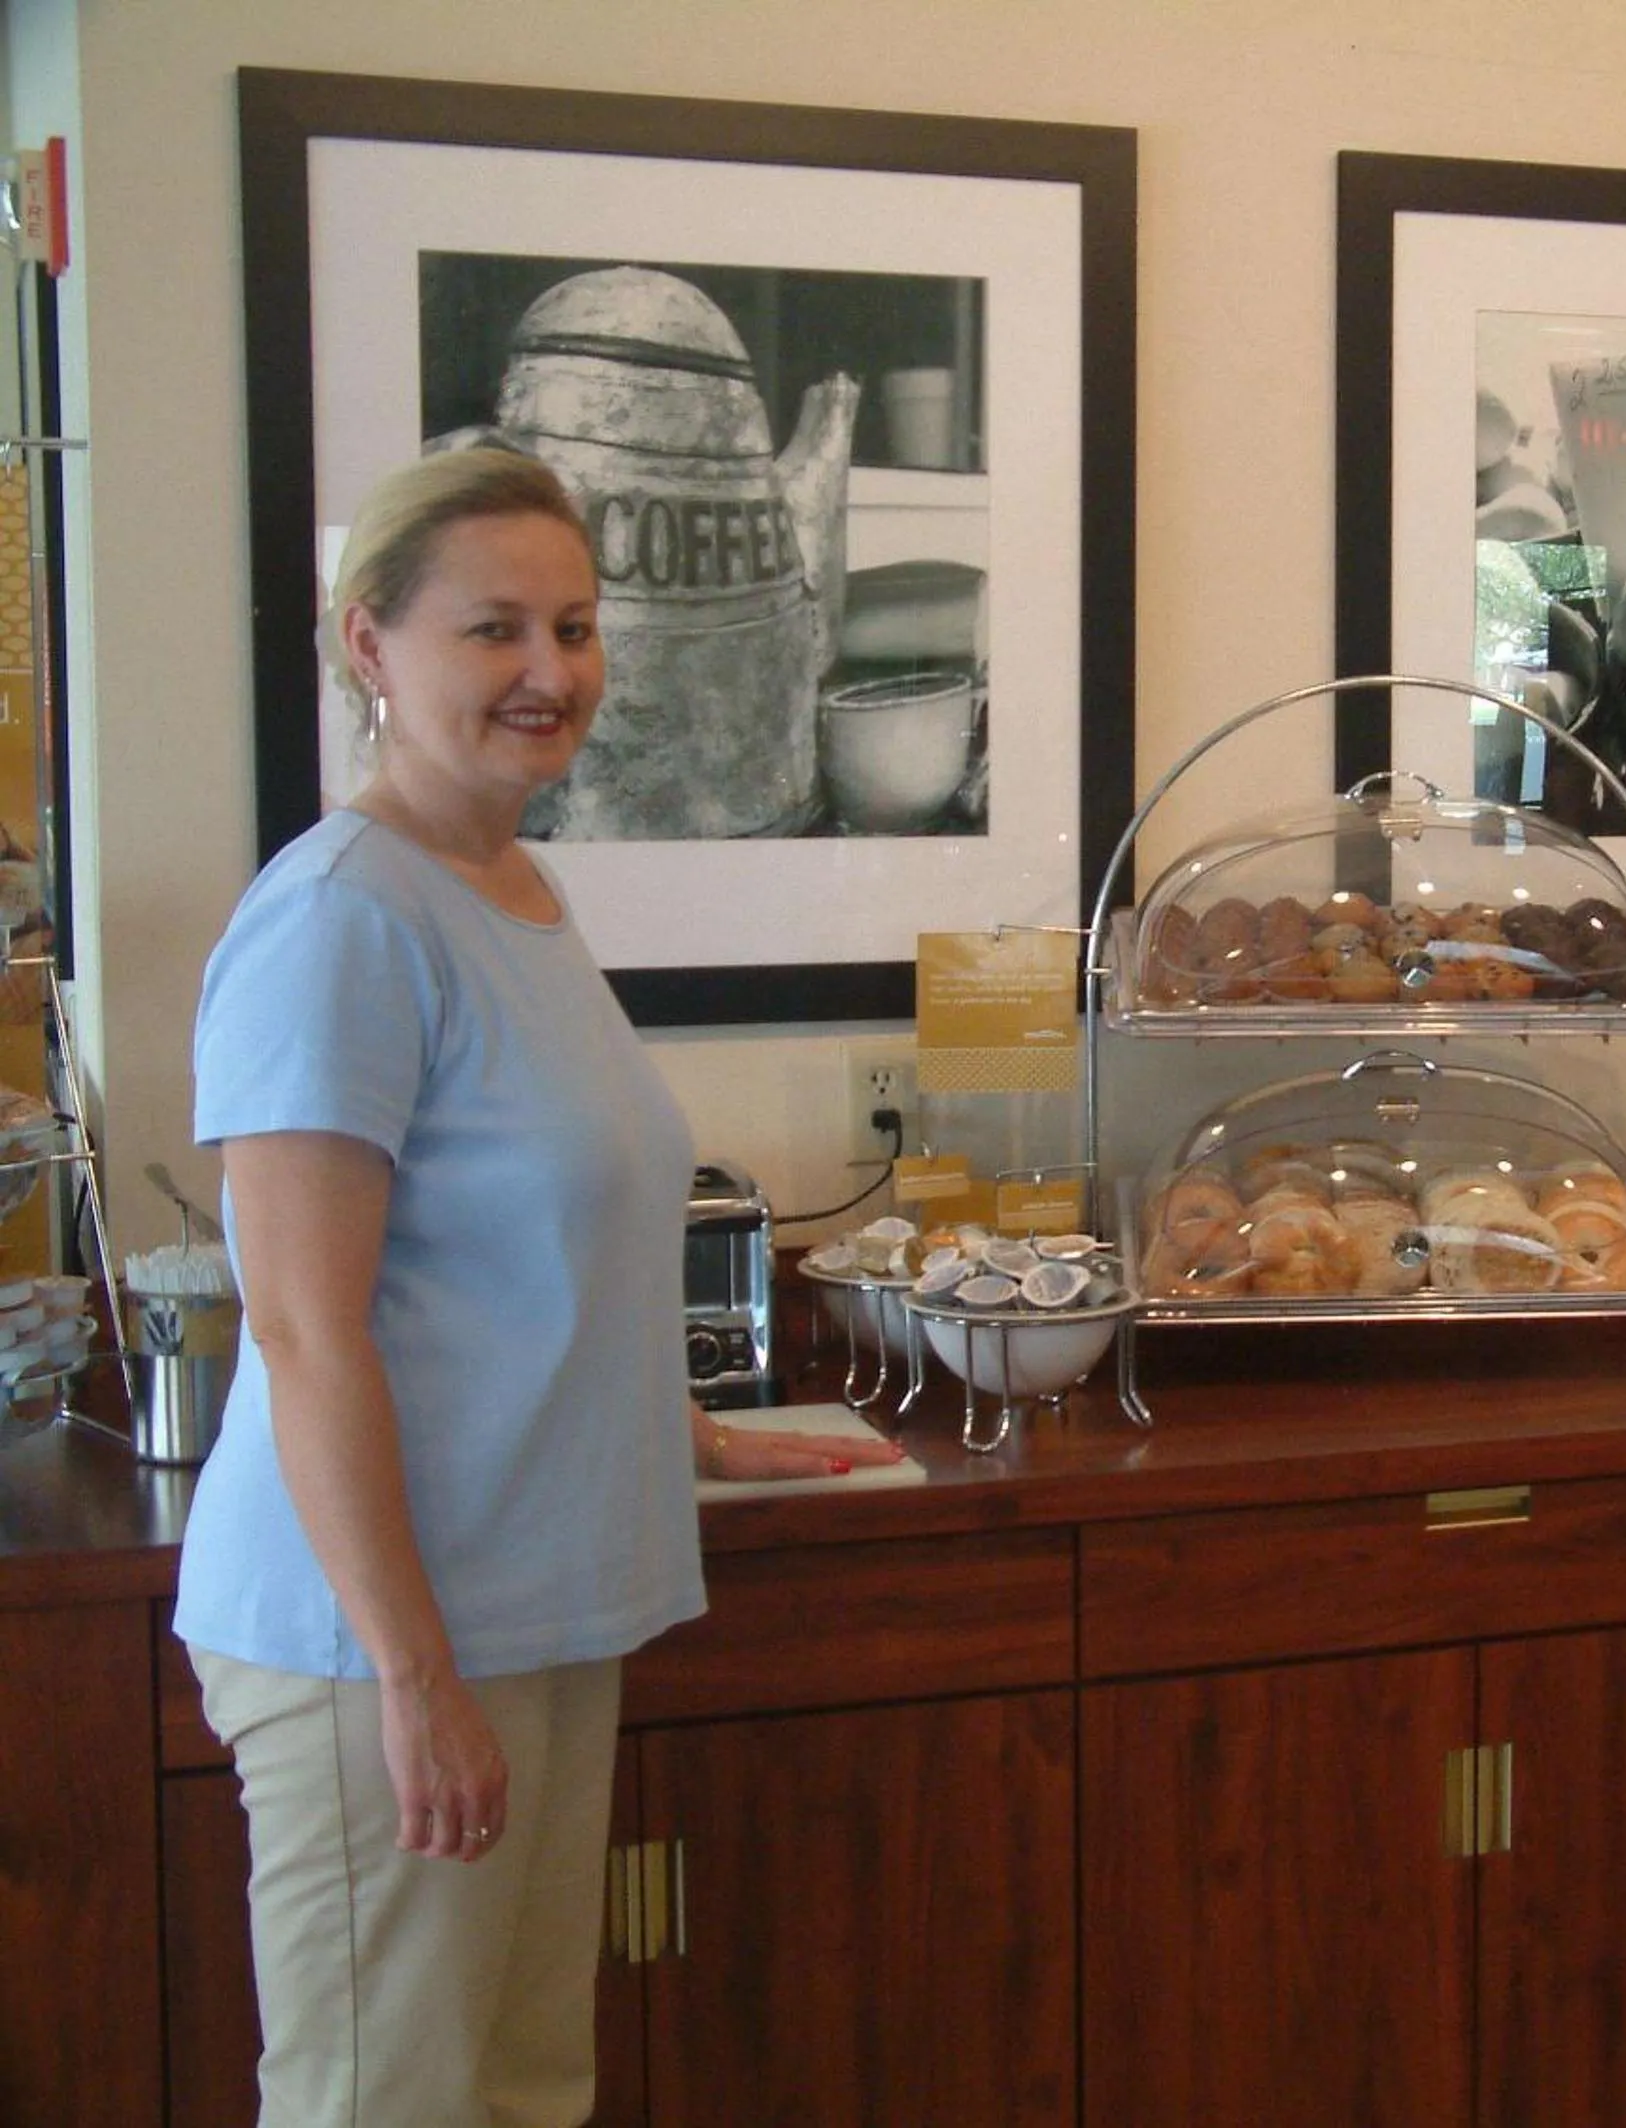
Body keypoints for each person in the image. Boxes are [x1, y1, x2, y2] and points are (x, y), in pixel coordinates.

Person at [172, 447, 903, 2128]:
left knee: (518, 2094)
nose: (550, 672)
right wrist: (414, 1678)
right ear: (371, 647)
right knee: (384, 2103)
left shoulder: (511, 887)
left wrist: (695, 1439)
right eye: (492, 628)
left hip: (539, 1601)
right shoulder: (340, 922)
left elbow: (528, 1255)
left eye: (574, 626)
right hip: (386, 1639)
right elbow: (300, 1326)